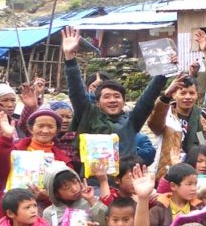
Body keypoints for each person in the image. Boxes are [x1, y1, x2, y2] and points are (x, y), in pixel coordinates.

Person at [62, 27, 167, 158]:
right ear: (98, 102)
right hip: (93, 177)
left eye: (117, 96)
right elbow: (76, 91)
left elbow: (147, 99)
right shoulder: (89, 116)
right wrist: (70, 58)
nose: (112, 100)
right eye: (106, 97)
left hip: (126, 176)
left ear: (123, 102)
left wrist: (163, 72)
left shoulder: (131, 121)